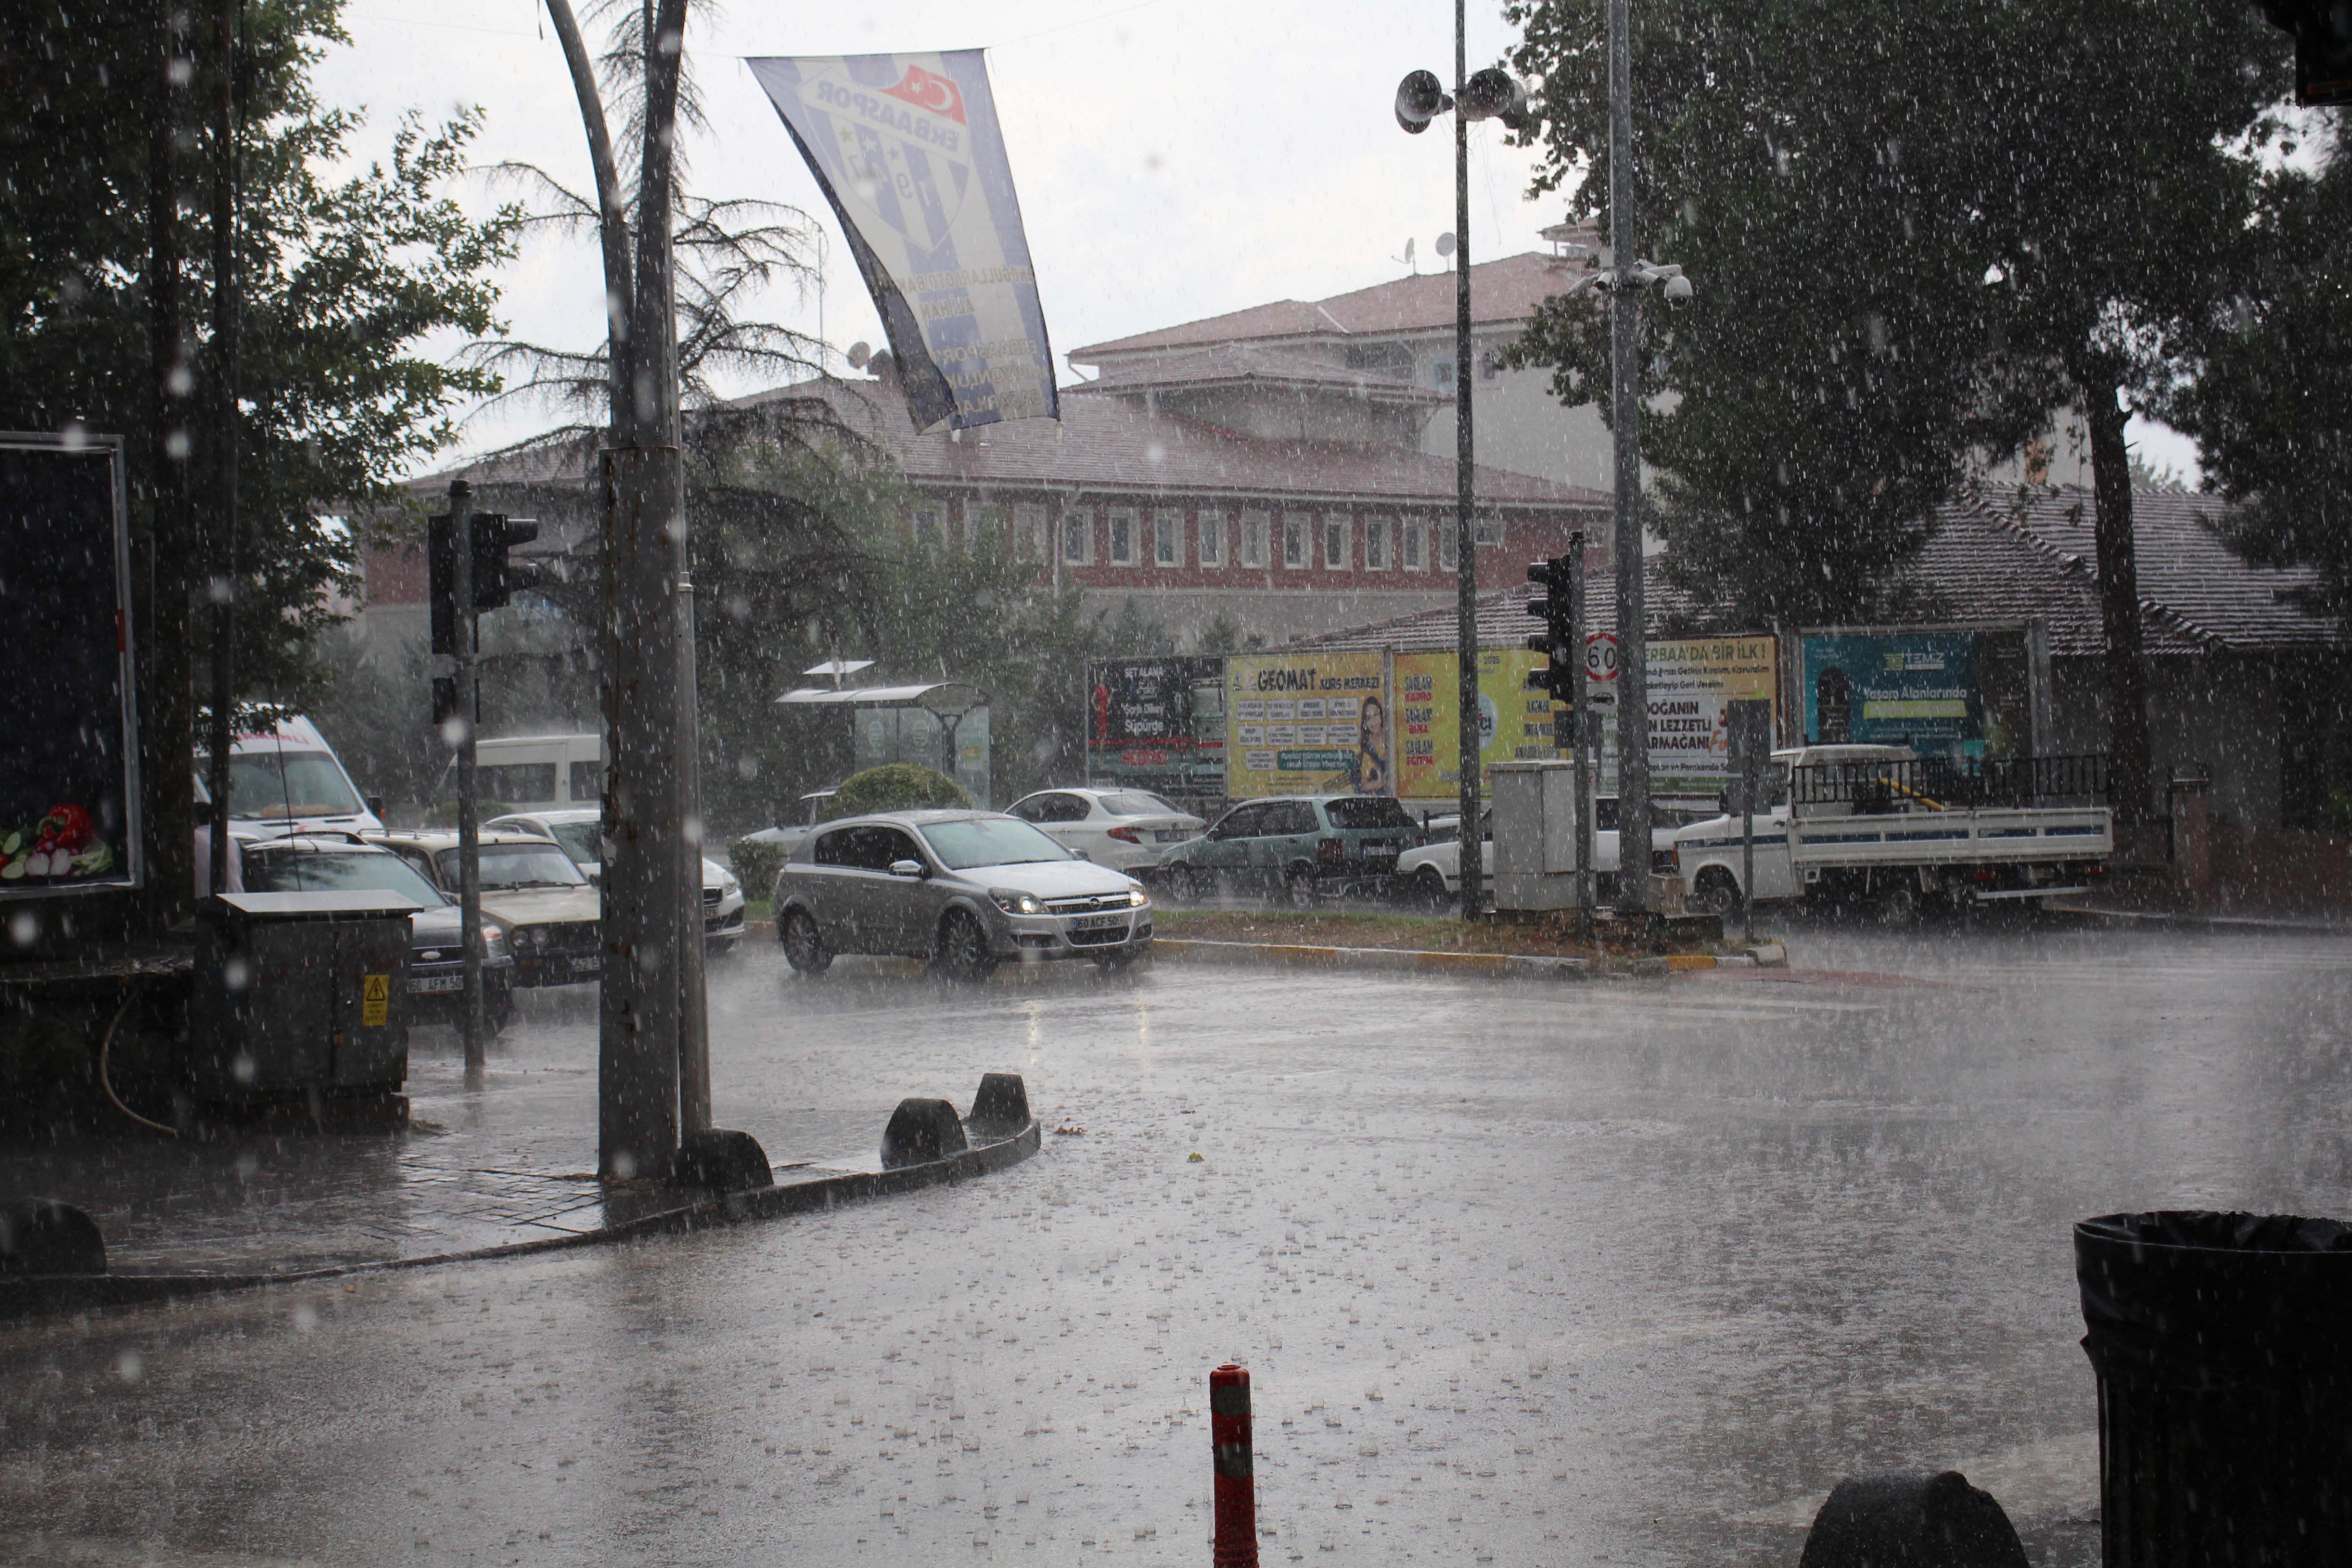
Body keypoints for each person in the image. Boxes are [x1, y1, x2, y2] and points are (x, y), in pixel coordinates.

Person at [1351, 693, 1390, 796]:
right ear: (1365, 723)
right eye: (1369, 718)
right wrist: (1382, 783)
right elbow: (1364, 785)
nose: (1374, 721)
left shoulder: (1392, 736)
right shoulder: (1368, 748)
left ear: (1382, 715)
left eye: (1376, 715)